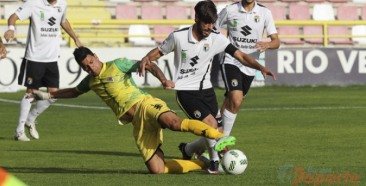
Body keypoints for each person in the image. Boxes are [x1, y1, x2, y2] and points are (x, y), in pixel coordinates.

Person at [31, 46, 235, 174]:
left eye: (91, 63)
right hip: (138, 124)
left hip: (146, 105)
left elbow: (147, 64)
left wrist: (163, 79)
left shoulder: (118, 64)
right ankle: (203, 164)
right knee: (158, 170)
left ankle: (218, 137)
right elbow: (74, 92)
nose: (90, 68)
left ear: (95, 56)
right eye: (85, 67)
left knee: (173, 123)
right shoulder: (90, 82)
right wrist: (48, 95)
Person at [138, 0, 276, 174]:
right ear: (196, 18)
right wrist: (146, 58)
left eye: (212, 23)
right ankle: (214, 163)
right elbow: (159, 51)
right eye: (206, 23)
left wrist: (260, 67)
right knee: (211, 127)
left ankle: (187, 150)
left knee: (217, 132)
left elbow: (240, 56)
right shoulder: (178, 37)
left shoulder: (215, 38)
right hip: (186, 92)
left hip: (207, 91)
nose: (209, 27)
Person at [4, 0, 82, 141]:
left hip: (52, 59)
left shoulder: (62, 4)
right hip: (34, 58)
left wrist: (75, 38)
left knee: (53, 96)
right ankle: (19, 131)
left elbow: (63, 21)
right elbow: (14, 16)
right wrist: (11, 28)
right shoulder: (34, 4)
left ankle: (31, 120)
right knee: (30, 93)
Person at [215, 0, 280, 141]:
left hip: (251, 66)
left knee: (229, 105)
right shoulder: (230, 10)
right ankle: (222, 144)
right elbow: (213, 29)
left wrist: (267, 44)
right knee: (236, 100)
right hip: (232, 60)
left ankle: (198, 146)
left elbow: (276, 41)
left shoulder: (265, 13)